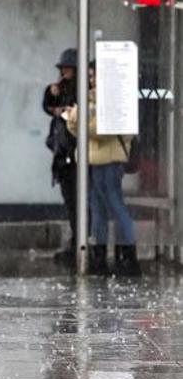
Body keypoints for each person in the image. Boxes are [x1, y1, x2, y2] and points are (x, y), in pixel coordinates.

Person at [67, 64, 141, 277]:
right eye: (90, 76)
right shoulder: (89, 98)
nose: (91, 81)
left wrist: (79, 120)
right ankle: (99, 256)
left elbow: (103, 129)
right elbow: (75, 128)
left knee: (115, 205)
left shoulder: (116, 100)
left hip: (110, 161)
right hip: (92, 160)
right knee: (98, 208)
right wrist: (76, 119)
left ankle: (128, 255)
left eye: (95, 76)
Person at [42, 48, 79, 265]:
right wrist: (51, 96)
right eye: (62, 69)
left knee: (77, 202)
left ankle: (81, 243)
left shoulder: (80, 89)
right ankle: (76, 242)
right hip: (62, 154)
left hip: (73, 153)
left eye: (68, 69)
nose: (64, 72)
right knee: (70, 201)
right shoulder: (60, 87)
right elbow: (48, 106)